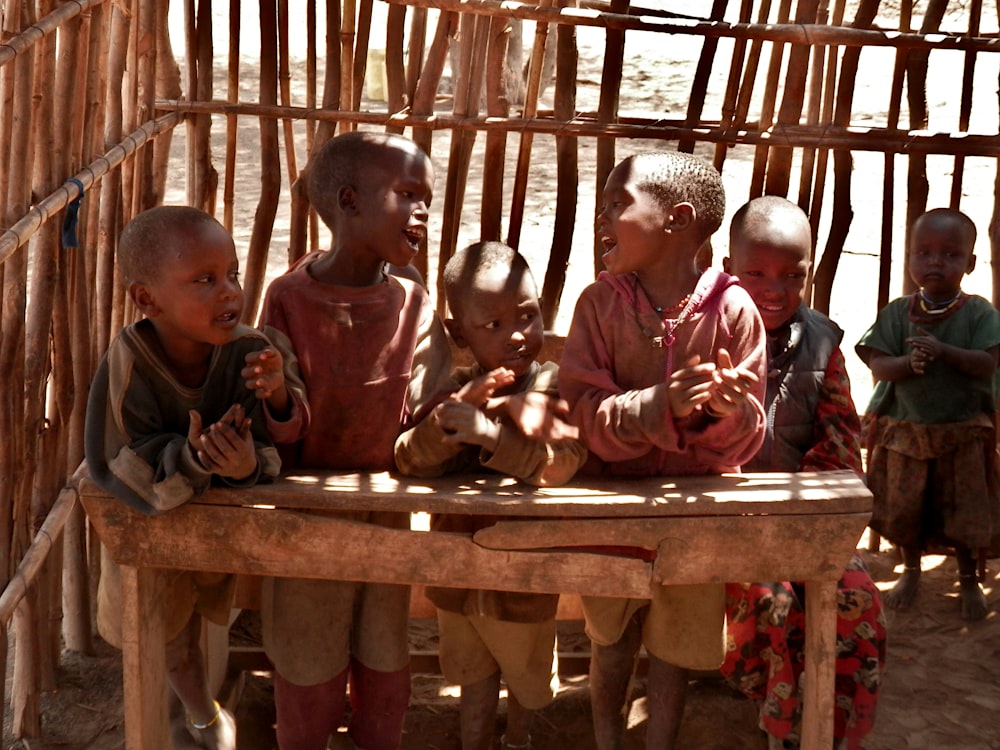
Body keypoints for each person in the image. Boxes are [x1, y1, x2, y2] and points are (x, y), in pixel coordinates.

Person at [558, 150, 767, 749]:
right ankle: (605, 739)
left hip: (692, 518)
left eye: (618, 203)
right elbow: (579, 415)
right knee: (611, 641)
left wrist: (725, 415)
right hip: (611, 513)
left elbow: (746, 439)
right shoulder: (599, 306)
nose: (602, 215)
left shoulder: (733, 310)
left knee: (673, 653)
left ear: (676, 219)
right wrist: (655, 407)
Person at [257, 130, 453, 750]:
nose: (423, 212)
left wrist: (459, 416)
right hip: (305, 525)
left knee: (385, 667)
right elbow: (280, 418)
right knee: (308, 671)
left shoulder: (414, 305)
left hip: (385, 519)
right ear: (348, 200)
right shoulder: (289, 299)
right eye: (407, 195)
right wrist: (275, 399)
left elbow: (428, 413)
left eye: (427, 199)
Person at [84, 205, 306, 750]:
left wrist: (254, 439)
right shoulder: (130, 364)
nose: (230, 291)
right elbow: (123, 458)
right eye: (204, 280)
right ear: (146, 299)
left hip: (216, 528)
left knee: (206, 625)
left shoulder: (252, 353)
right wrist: (196, 458)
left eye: (231, 273)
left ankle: (203, 714)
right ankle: (199, 718)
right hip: (148, 524)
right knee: (164, 636)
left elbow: (274, 438)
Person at [395, 240, 588, 750]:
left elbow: (559, 466)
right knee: (471, 682)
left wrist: (491, 436)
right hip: (458, 578)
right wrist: (449, 424)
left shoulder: (555, 387)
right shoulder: (458, 389)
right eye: (494, 325)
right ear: (458, 333)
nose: (518, 335)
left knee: (528, 687)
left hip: (525, 583)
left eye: (527, 316)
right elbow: (409, 460)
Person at [721, 195, 885, 750]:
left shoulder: (822, 341)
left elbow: (841, 442)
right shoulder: (705, 335)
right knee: (775, 604)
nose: (775, 289)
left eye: (793, 275)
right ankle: (783, 730)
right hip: (722, 520)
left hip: (803, 517)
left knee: (857, 598)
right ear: (727, 270)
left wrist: (800, 514)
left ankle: (832, 732)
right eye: (757, 273)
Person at [857, 207, 1000, 621]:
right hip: (907, 433)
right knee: (907, 507)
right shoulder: (898, 313)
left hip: (963, 434)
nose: (935, 262)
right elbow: (879, 363)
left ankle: (969, 578)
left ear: (970, 263)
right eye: (923, 253)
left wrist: (944, 353)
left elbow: (987, 363)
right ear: (909, 258)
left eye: (950, 254)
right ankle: (912, 569)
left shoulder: (979, 314)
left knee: (966, 510)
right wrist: (907, 366)